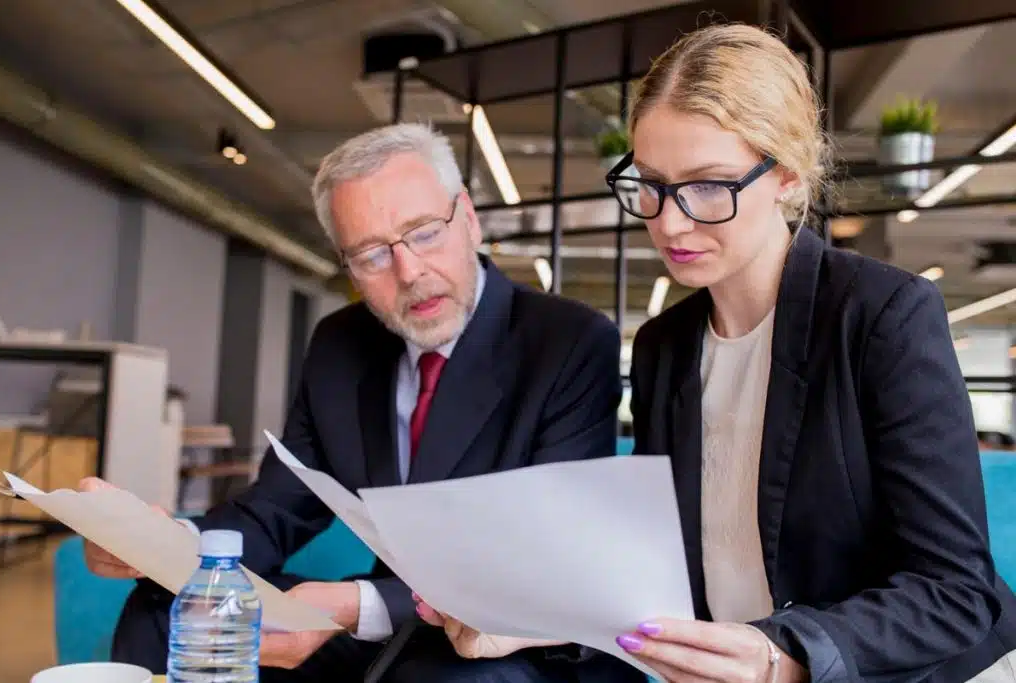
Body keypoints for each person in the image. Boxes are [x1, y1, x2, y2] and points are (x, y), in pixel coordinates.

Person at [414, 22, 1016, 683]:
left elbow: (957, 590)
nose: (669, 222)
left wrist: (782, 654)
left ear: (785, 173)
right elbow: (652, 573)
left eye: (708, 186)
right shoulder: (662, 348)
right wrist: (526, 618)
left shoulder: (881, 316)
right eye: (650, 183)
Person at [82, 122, 639, 683]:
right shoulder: (339, 346)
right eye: (372, 254)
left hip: (519, 639)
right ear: (347, 267)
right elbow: (275, 510)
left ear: (468, 218)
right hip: (395, 628)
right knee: (168, 609)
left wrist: (354, 604)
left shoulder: (569, 342)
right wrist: (169, 548)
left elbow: (543, 562)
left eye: (423, 233)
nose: (409, 273)